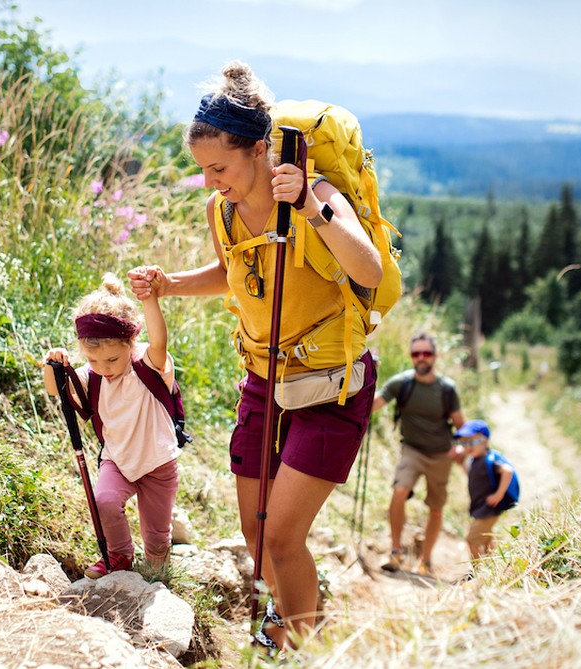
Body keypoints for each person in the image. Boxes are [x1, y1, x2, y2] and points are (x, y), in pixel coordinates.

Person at [128, 60, 382, 649]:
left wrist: (315, 212)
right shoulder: (222, 209)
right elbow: (231, 272)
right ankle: (282, 632)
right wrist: (169, 285)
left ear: (260, 150)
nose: (211, 180)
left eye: (219, 167)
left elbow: (367, 267)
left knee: (283, 537)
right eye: (203, 170)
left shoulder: (314, 194)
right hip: (263, 380)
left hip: (330, 384)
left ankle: (301, 647)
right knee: (255, 530)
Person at [43, 272, 179, 579]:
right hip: (117, 458)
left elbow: (159, 339)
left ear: (131, 344)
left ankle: (158, 572)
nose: (104, 369)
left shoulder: (148, 364)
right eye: (93, 361)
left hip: (158, 462)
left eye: (112, 360)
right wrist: (52, 364)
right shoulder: (92, 377)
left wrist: (149, 299)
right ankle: (119, 557)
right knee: (104, 500)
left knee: (157, 535)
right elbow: (55, 389)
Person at [371, 332, 465, 575]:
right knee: (399, 490)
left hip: (441, 455)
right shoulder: (401, 383)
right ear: (411, 357)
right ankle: (396, 552)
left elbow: (461, 426)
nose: (421, 358)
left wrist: (464, 449)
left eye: (426, 353)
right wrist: (366, 377)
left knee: (435, 508)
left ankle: (426, 560)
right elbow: (374, 404)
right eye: (416, 354)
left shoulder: (447, 389)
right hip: (412, 450)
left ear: (435, 356)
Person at [452, 419, 519, 561]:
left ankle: (478, 569)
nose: (468, 447)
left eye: (472, 442)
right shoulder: (475, 461)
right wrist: (461, 464)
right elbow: (472, 476)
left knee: (471, 540)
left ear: (485, 441)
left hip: (489, 508)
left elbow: (507, 471)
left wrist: (498, 495)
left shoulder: (489, 460)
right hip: (481, 507)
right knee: (487, 538)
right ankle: (493, 564)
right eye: (464, 443)